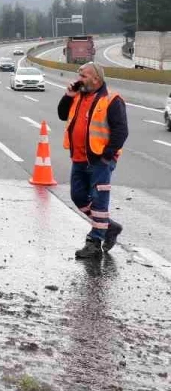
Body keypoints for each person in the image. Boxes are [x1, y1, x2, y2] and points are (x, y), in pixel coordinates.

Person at [57, 62, 128, 259]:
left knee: (98, 200)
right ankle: (109, 227)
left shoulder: (111, 100)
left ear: (96, 79)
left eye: (84, 75)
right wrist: (68, 95)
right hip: (79, 158)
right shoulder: (78, 96)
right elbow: (62, 115)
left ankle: (94, 242)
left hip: (99, 160)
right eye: (79, 74)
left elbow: (121, 131)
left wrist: (107, 155)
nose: (79, 78)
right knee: (78, 196)